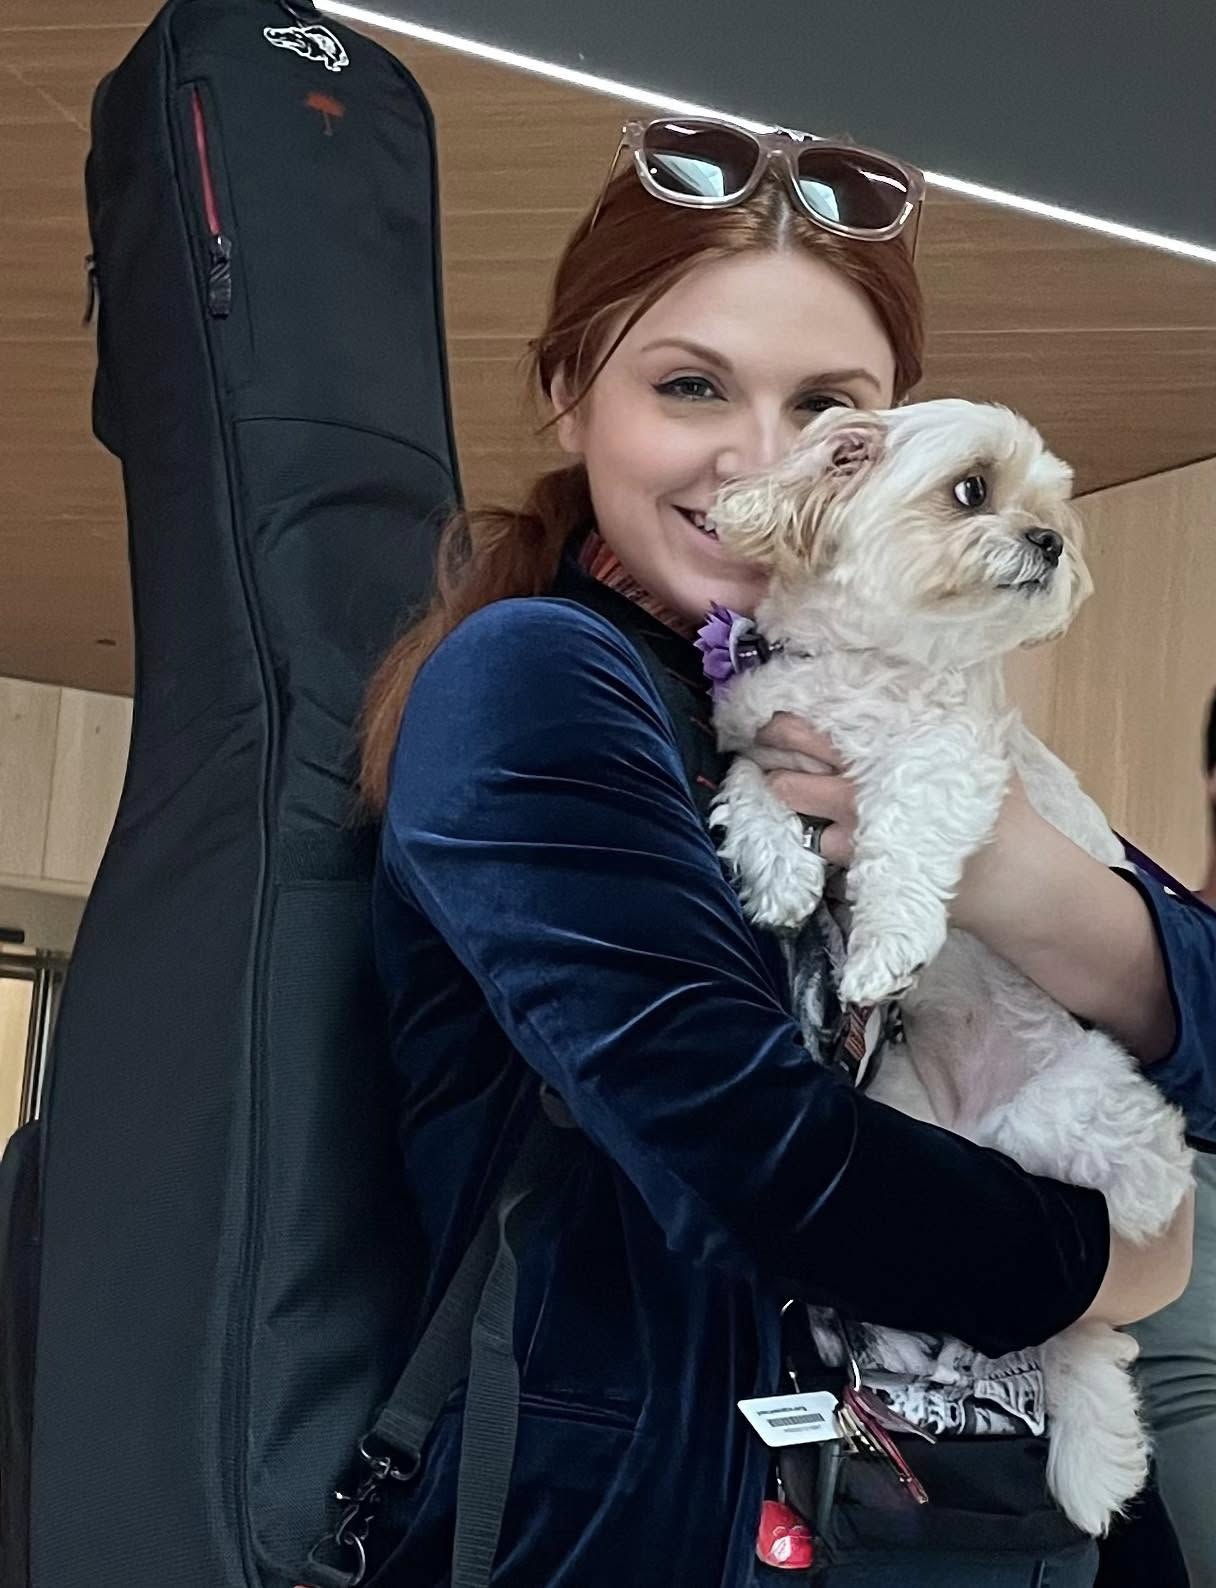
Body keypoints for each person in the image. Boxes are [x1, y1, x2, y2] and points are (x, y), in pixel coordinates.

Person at [356, 119, 1206, 1587]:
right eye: (690, 385)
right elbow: (749, 1156)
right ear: (572, 396)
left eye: (828, 402)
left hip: (978, 1520)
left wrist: (1003, 863)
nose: (764, 456)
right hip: (670, 1524)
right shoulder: (541, 676)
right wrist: (1112, 1262)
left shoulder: (897, 696)